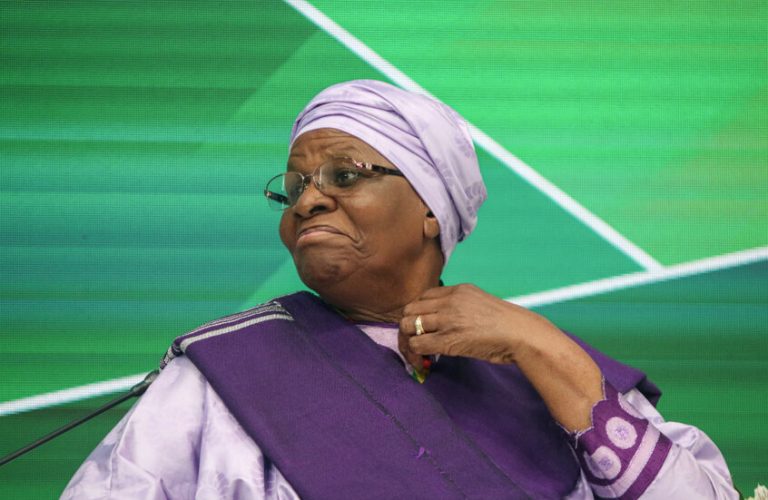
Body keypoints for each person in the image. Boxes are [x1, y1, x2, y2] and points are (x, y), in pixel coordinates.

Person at [62, 80, 738, 499]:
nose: (308, 202)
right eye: (294, 188)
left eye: (344, 175)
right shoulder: (223, 377)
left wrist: (543, 347)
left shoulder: (546, 363)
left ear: (430, 210)